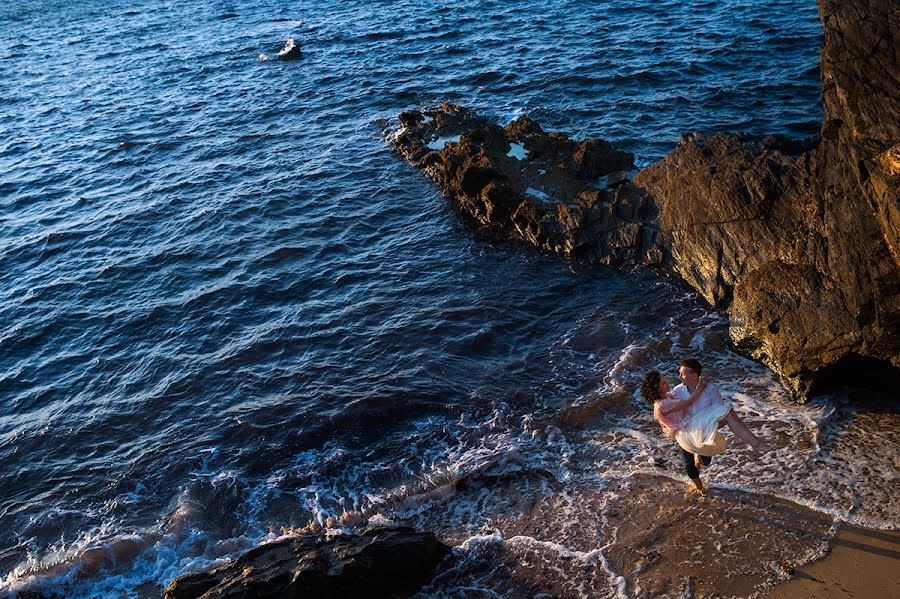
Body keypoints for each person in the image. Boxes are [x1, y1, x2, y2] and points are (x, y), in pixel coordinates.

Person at [641, 359, 770, 494]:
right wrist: (702, 386)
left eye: (682, 374)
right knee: (690, 467)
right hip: (685, 433)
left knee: (706, 460)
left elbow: (717, 412)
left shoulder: (706, 390)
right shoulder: (676, 392)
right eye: (663, 382)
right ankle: (700, 488)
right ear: (657, 388)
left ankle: (703, 455)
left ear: (695, 376)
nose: (674, 379)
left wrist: (713, 427)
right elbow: (685, 404)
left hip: (698, 428)